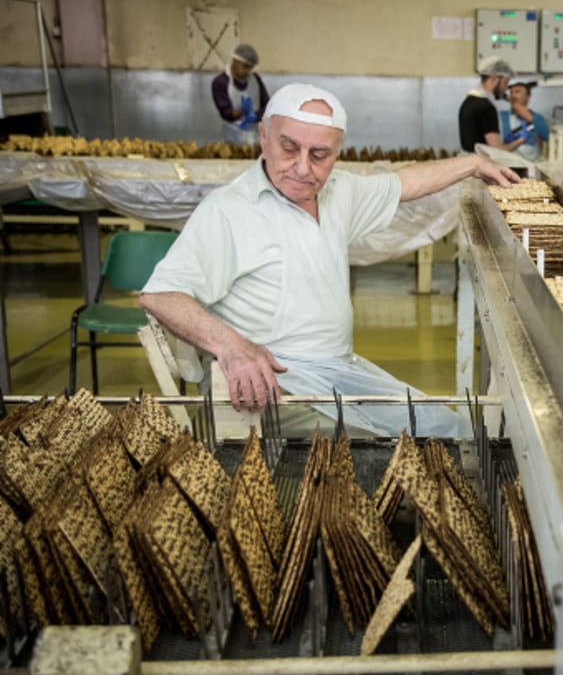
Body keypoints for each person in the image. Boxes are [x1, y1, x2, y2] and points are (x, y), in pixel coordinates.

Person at [140, 83, 520, 438]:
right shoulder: (228, 211)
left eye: (319, 155)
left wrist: (473, 164)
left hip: (338, 372)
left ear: (337, 153)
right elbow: (160, 295)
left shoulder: (340, 193)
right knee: (400, 446)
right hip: (271, 387)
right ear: (264, 137)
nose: (304, 168)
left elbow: (406, 183)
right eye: (289, 149)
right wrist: (233, 347)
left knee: (450, 429)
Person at [458, 56, 527, 153]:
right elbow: (497, 150)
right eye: (505, 83)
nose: (505, 89)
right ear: (494, 79)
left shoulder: (468, 101)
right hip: (480, 164)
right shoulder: (486, 108)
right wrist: (519, 142)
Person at [212, 43, 270, 145]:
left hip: (254, 138)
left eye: (250, 68)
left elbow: (268, 106)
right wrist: (241, 112)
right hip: (231, 139)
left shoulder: (255, 80)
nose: (248, 71)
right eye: (245, 66)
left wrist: (254, 115)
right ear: (235, 61)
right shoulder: (220, 82)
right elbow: (226, 113)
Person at [499, 81, 551, 161]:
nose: (513, 95)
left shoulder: (537, 118)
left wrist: (528, 117)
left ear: (528, 97)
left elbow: (548, 137)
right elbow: (501, 139)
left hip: (532, 162)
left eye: (517, 92)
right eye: (511, 92)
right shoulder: (501, 116)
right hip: (507, 162)